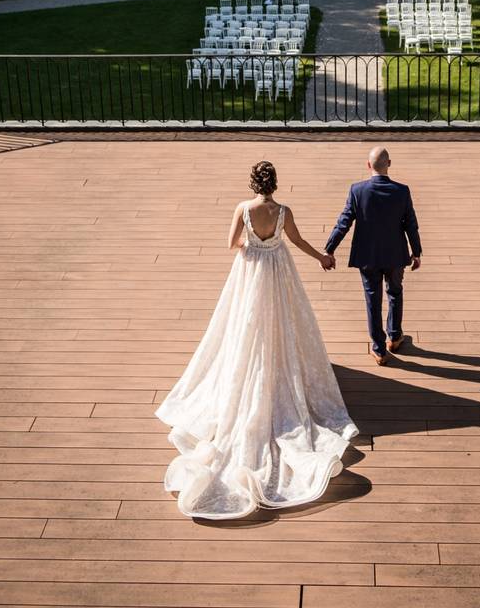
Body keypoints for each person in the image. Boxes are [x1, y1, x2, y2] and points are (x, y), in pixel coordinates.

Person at [154, 161, 359, 520]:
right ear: (275, 184)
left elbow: (231, 243)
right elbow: (297, 241)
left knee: (244, 326)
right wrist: (322, 258)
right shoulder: (283, 211)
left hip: (251, 272)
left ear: (252, 183)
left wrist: (252, 243)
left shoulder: (243, 209)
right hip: (279, 271)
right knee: (283, 323)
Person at [324, 146, 422, 366]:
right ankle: (394, 337)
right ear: (389, 163)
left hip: (367, 255)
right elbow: (411, 226)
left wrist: (329, 248)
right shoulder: (402, 191)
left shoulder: (357, 191)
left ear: (368, 166)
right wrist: (416, 252)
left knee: (372, 299)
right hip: (396, 254)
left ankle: (378, 349)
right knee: (395, 292)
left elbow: (344, 222)